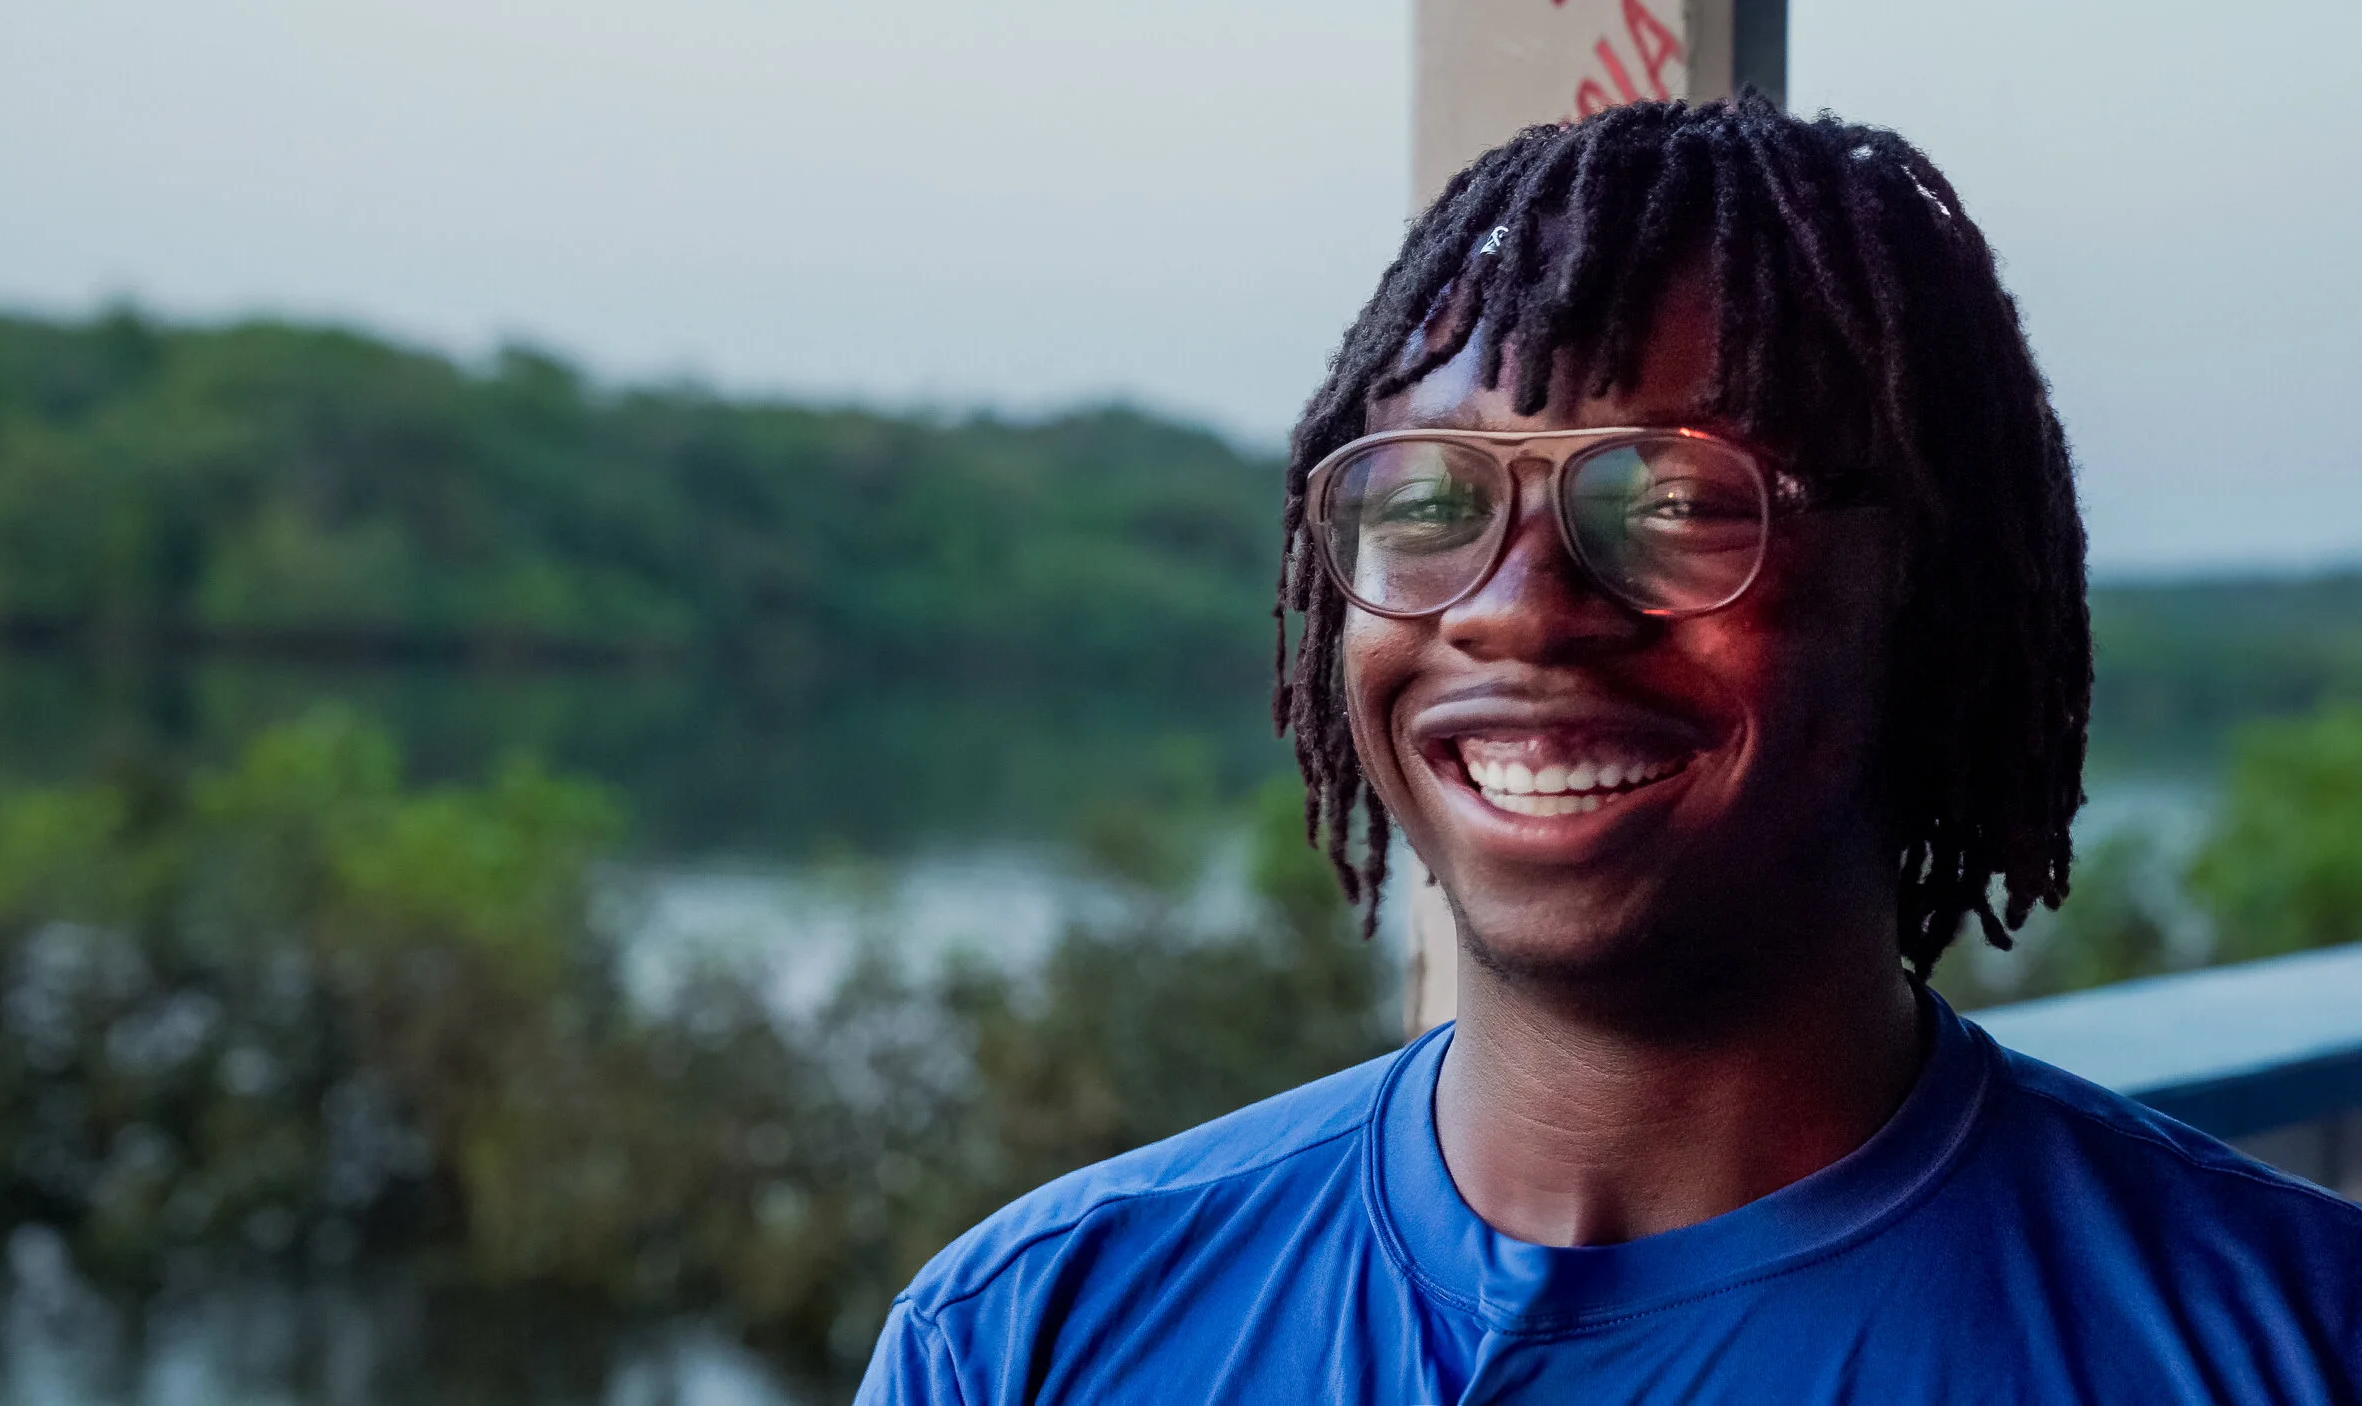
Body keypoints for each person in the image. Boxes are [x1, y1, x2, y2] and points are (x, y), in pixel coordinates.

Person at [854, 98, 2362, 1404]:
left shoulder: (2288, 1343)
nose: (1516, 612)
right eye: (1430, 504)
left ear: (1929, 591)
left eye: (1678, 503)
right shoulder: (1033, 1337)